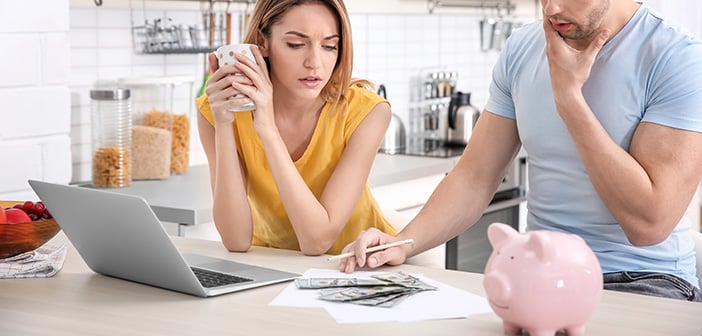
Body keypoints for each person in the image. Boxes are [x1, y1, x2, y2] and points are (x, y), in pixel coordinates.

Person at [339, 0, 702, 302]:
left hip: (640, 279)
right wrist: (404, 244)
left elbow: (649, 224)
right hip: (535, 274)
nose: (551, 7)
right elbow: (474, 177)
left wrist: (569, 100)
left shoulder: (676, 57)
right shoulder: (521, 48)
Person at [195, 0, 399, 256]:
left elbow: (317, 242)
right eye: (296, 44)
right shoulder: (215, 111)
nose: (315, 62)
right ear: (262, 42)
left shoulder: (367, 112)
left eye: (329, 46)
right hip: (276, 270)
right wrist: (224, 123)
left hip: (357, 268)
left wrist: (267, 129)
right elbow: (236, 240)